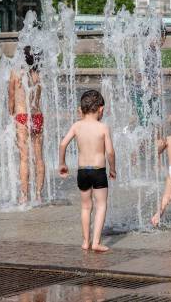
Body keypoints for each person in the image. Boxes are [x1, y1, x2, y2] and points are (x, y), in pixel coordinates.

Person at [58, 90, 116, 252]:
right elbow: (110, 152)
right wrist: (113, 168)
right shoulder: (103, 127)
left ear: (80, 109)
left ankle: (85, 241)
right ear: (101, 109)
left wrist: (62, 163)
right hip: (98, 171)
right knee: (101, 205)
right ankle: (96, 242)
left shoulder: (77, 126)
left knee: (85, 207)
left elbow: (62, 144)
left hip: (82, 171)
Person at [8, 46, 45, 204]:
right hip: (37, 116)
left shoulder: (16, 73)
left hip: (22, 116)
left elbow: (11, 98)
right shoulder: (39, 75)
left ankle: (24, 195)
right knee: (39, 157)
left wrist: (11, 115)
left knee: (24, 158)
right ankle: (38, 194)